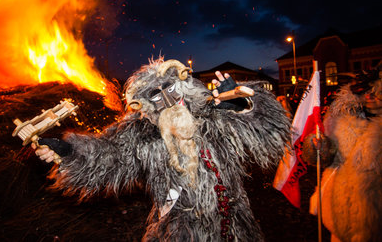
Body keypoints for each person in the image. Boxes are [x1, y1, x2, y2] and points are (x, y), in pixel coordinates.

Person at [32, 58, 291, 241]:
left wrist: (245, 104)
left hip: (235, 226)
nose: (167, 100)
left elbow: (269, 135)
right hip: (181, 231)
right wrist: (69, 152)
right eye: (156, 95)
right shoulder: (141, 132)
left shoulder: (214, 117)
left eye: (170, 89)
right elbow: (109, 156)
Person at [303, 65, 381, 242]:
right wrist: (319, 146)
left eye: (376, 92)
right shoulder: (340, 117)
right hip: (340, 210)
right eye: (367, 91)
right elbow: (326, 157)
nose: (370, 96)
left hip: (374, 217)